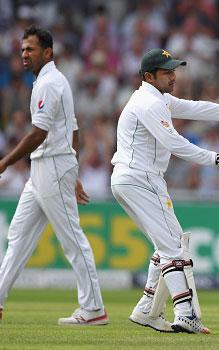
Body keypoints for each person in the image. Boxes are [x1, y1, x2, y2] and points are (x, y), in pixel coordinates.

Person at [110, 48, 219, 334]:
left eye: (174, 71)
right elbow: (175, 143)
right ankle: (186, 314)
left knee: (165, 244)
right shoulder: (148, 103)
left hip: (131, 179)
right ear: (148, 76)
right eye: (167, 72)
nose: (173, 76)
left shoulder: (157, 98)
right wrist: (217, 158)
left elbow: (194, 107)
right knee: (174, 248)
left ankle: (147, 309)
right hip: (141, 178)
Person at [0, 25, 108, 325]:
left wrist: (5, 162)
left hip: (50, 164)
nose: (24, 55)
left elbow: (38, 133)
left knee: (72, 239)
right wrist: (71, 171)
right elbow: (73, 129)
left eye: (30, 49)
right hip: (46, 169)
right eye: (22, 49)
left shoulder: (49, 83)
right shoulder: (51, 81)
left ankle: (94, 309)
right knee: (18, 237)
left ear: (47, 52)